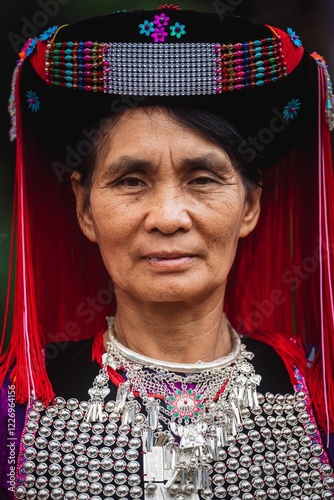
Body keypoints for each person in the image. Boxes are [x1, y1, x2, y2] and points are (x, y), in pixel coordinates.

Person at [0, 5, 333, 500]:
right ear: (85, 207)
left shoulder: (318, 396)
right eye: (131, 181)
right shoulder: (16, 409)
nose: (168, 216)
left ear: (250, 205)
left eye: (203, 180)